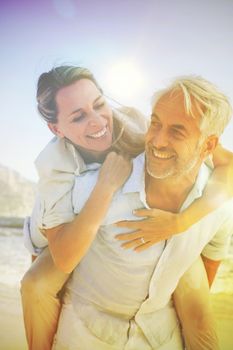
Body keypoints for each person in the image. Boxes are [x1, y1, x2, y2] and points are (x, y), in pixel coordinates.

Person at [20, 67, 233, 349]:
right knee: (35, 286)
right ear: (57, 129)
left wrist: (181, 223)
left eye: (98, 105)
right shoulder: (55, 166)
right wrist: (106, 187)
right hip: (55, 233)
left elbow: (225, 162)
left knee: (197, 308)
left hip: (148, 204)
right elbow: (64, 257)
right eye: (78, 116)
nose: (97, 122)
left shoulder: (133, 120)